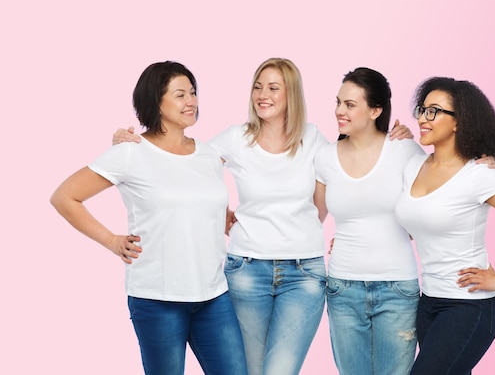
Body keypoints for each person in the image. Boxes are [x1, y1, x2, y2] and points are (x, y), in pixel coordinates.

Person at [112, 58, 414, 375]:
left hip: (304, 274)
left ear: (291, 95)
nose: (262, 95)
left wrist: (395, 137)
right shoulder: (236, 138)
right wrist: (134, 145)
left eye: (273, 88)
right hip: (246, 271)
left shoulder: (312, 140)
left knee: (280, 371)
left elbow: (339, 184)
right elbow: (182, 163)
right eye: (257, 87)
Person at [50, 61, 248, 375]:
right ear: (156, 101)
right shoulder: (130, 152)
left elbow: (196, 200)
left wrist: (221, 218)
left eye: (193, 93)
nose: (192, 101)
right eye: (180, 94)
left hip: (213, 294)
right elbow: (64, 197)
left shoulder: (209, 155)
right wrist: (112, 241)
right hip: (157, 298)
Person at [393, 77, 495, 375]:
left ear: (458, 122)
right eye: (422, 109)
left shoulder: (478, 174)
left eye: (434, 111)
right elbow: (414, 227)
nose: (424, 119)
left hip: (469, 307)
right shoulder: (413, 167)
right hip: (428, 303)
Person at [314, 67, 423, 375]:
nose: (339, 111)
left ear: (376, 110)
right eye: (338, 102)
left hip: (397, 289)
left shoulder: (403, 151)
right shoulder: (325, 156)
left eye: (350, 105)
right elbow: (314, 217)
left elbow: (425, 217)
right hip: (343, 288)